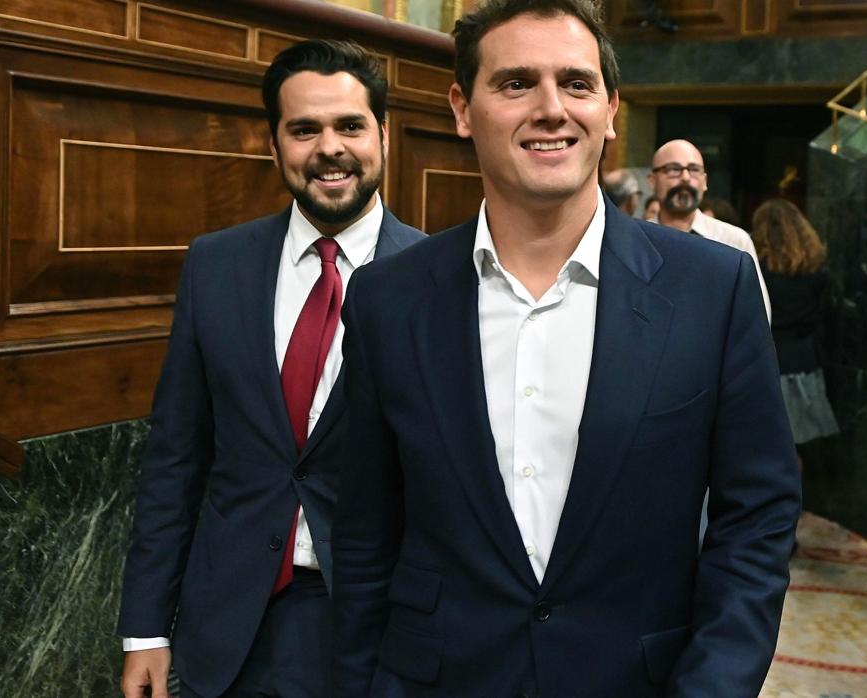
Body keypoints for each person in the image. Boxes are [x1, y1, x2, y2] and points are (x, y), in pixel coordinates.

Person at [331, 0, 801, 695]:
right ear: (462, 109)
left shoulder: (713, 288)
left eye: (576, 84)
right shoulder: (387, 299)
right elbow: (365, 535)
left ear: (610, 110)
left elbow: (757, 519)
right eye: (517, 83)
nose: (551, 109)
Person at [117, 40, 424, 698]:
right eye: (304, 129)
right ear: (274, 143)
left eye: (350, 126)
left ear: (383, 135)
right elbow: (175, 459)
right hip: (230, 629)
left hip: (380, 630)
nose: (330, 148)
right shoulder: (215, 265)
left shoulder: (439, 279)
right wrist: (145, 629)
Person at [751, 199, 840, 453]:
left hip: (768, 363)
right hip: (805, 361)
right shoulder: (816, 269)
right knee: (803, 447)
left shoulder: (759, 269)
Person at [648, 139, 771, 319]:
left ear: (705, 181)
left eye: (694, 170)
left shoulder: (733, 241)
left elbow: (757, 315)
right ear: (652, 181)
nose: (685, 177)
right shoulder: (634, 240)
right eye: (673, 169)